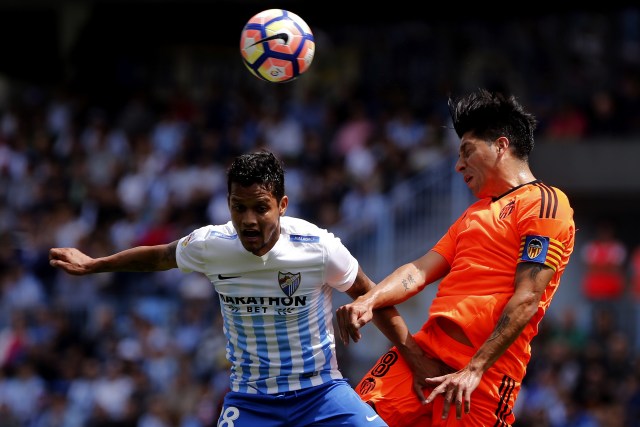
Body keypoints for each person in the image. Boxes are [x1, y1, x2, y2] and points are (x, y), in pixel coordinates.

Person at [49, 150, 394, 427]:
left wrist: (418, 360)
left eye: (261, 208)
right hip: (251, 400)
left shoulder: (318, 247)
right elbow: (160, 257)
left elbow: (372, 294)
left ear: (282, 205)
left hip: (322, 392)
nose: (248, 220)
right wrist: (96, 264)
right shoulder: (211, 245)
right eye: (238, 207)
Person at [336, 89, 576, 426]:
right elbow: (418, 271)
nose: (458, 164)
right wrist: (369, 301)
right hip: (426, 352)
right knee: (351, 421)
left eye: (467, 151)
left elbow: (528, 298)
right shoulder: (472, 215)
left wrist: (474, 368)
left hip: (484, 372)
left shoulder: (545, 203)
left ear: (501, 146)